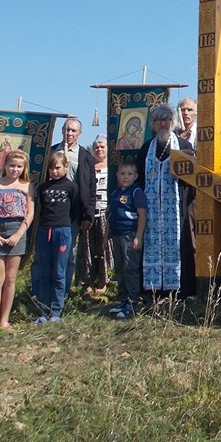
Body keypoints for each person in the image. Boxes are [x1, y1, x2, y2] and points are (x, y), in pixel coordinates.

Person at [137, 104, 196, 298]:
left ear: (173, 122)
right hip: (152, 211)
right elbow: (140, 180)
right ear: (153, 124)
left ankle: (181, 291)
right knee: (151, 245)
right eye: (159, 120)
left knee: (181, 246)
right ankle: (153, 291)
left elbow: (193, 178)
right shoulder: (147, 148)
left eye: (167, 120)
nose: (163, 124)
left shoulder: (184, 146)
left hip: (177, 208)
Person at [0, 149, 34, 331]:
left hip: (16, 230)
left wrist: (18, 234)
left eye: (19, 166)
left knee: (10, 278)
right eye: (12, 165)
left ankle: (5, 319)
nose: (15, 169)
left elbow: (30, 212)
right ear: (5, 165)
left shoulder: (26, 186)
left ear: (24, 168)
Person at [50, 118, 96, 294]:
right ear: (62, 130)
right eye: (67, 130)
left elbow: (91, 187)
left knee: (68, 254)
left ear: (79, 134)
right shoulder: (53, 151)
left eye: (73, 131)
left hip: (73, 213)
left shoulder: (85, 156)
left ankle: (64, 291)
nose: (69, 133)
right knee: (48, 254)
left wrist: (88, 214)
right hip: (51, 212)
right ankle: (45, 291)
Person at [33, 151, 80, 323]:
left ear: (65, 167)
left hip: (62, 230)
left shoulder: (71, 187)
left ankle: (56, 310)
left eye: (57, 168)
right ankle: (43, 309)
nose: (54, 171)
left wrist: (65, 223)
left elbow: (75, 209)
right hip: (45, 230)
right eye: (51, 168)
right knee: (45, 271)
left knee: (59, 272)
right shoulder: (43, 188)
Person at [107, 159, 147, 320]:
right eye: (122, 174)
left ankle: (132, 302)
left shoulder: (136, 192)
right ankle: (122, 300)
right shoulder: (115, 193)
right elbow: (110, 216)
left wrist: (138, 236)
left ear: (135, 176)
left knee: (130, 268)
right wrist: (106, 237)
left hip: (130, 235)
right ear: (117, 175)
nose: (125, 177)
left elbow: (142, 215)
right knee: (120, 268)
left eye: (129, 174)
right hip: (116, 235)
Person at [75, 135, 112, 295]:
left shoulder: (111, 167)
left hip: (105, 212)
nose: (99, 149)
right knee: (87, 248)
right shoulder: (87, 166)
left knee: (104, 248)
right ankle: (87, 282)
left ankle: (104, 281)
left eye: (102, 146)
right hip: (89, 212)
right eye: (96, 147)